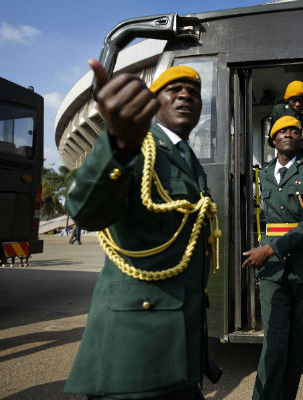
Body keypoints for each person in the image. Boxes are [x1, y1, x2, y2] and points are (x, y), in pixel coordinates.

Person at [64, 61, 220, 399]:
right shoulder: (140, 147)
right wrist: (118, 143)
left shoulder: (190, 160)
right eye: (173, 90)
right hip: (135, 349)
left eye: (193, 93)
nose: (185, 96)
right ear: (154, 103)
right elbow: (86, 211)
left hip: (179, 345)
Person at [242, 115, 303, 400]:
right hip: (273, 273)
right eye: (282, 131)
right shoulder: (263, 173)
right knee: (275, 344)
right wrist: (265, 250)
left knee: (298, 348)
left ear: (300, 137)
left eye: (294, 130)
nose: (289, 134)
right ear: (273, 139)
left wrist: (268, 249)